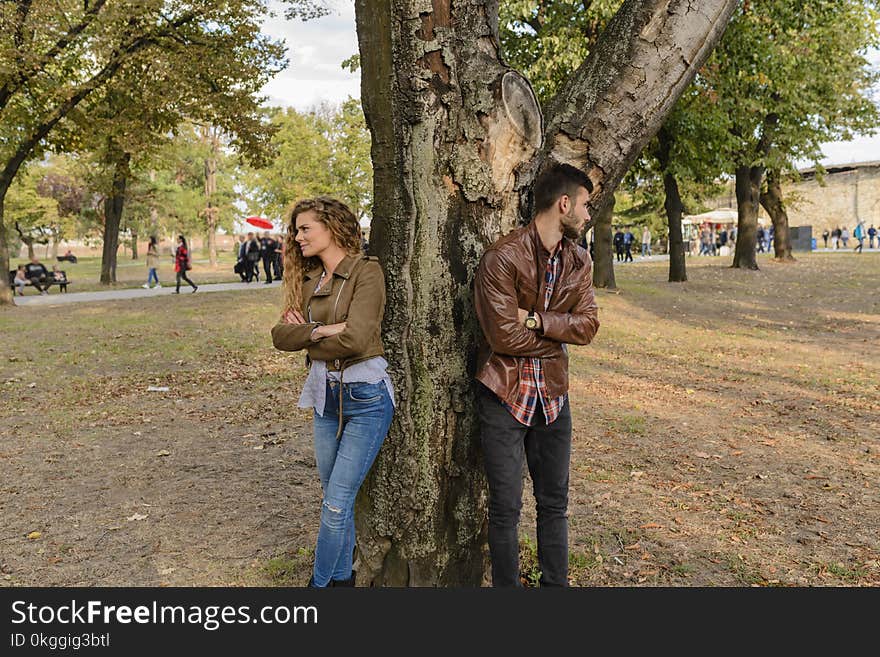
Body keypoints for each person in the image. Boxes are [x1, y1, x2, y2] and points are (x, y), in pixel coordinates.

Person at [473, 163, 600, 587]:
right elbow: (503, 335)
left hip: (552, 398)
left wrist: (538, 321)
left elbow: (588, 326)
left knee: (554, 504)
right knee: (505, 509)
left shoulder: (579, 261)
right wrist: (557, 339)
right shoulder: (501, 257)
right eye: (584, 205)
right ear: (563, 203)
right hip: (504, 395)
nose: (587, 215)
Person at [271, 196, 394, 588]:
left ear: (332, 227)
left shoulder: (366, 272)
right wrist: (324, 331)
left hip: (367, 399)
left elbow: (358, 339)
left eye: (305, 228)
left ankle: (319, 586)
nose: (297, 236)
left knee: (336, 504)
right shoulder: (309, 281)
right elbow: (280, 335)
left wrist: (307, 335)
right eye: (296, 229)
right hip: (326, 398)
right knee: (335, 502)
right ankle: (342, 581)